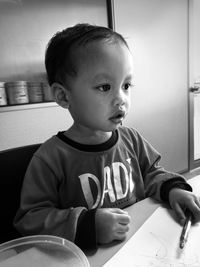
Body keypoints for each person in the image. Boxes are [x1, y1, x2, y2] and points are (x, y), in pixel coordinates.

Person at [14, 23, 200, 250]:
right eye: (104, 87)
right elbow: (30, 219)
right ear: (63, 96)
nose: (121, 98)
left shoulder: (131, 139)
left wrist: (173, 189)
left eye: (126, 85)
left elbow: (152, 173)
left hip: (140, 246)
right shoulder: (50, 158)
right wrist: (87, 225)